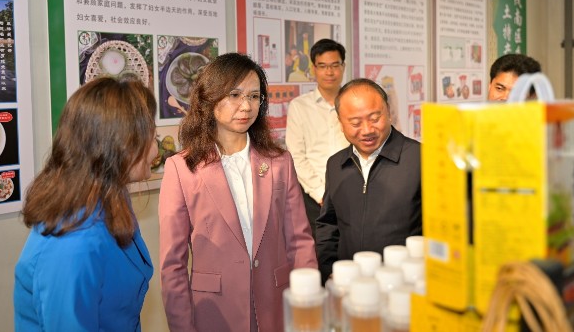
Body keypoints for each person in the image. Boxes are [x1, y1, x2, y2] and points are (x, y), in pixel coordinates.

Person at [159, 52, 317, 332]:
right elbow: (173, 263)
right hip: (214, 311)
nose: (246, 106)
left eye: (255, 97)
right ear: (210, 99)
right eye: (234, 94)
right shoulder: (181, 168)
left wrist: (308, 310)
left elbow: (300, 242)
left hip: (275, 307)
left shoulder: (279, 162)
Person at [14, 76, 158, 331]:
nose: (156, 150)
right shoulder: (73, 242)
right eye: (150, 136)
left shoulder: (109, 198)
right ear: (118, 145)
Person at [316, 79, 422, 281]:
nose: (366, 130)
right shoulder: (336, 165)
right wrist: (328, 270)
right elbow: (329, 225)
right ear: (340, 122)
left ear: (388, 111)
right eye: (355, 123)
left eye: (375, 118)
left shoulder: (421, 159)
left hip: (404, 284)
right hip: (349, 284)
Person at [285, 39, 348, 238]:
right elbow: (296, 156)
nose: (329, 72)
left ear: (343, 67)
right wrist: (321, 194)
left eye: (335, 65)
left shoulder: (353, 104)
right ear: (314, 69)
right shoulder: (299, 107)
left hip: (353, 192)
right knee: (321, 254)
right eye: (323, 66)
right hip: (315, 198)